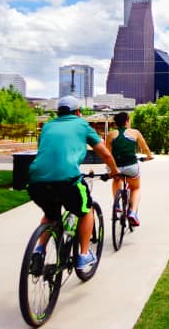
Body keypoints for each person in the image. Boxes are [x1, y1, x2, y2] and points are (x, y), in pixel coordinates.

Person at [27, 96, 120, 270]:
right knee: (86, 210)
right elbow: (105, 154)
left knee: (50, 215)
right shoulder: (82, 125)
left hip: (36, 181)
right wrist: (114, 171)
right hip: (67, 180)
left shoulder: (47, 126)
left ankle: (38, 251)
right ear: (78, 112)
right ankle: (83, 255)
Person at [105, 111, 153, 227]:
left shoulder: (111, 135)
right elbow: (145, 149)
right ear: (127, 121)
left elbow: (107, 153)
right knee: (136, 188)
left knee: (117, 179)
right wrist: (149, 156)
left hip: (116, 166)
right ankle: (132, 213)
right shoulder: (135, 132)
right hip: (131, 166)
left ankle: (117, 205)